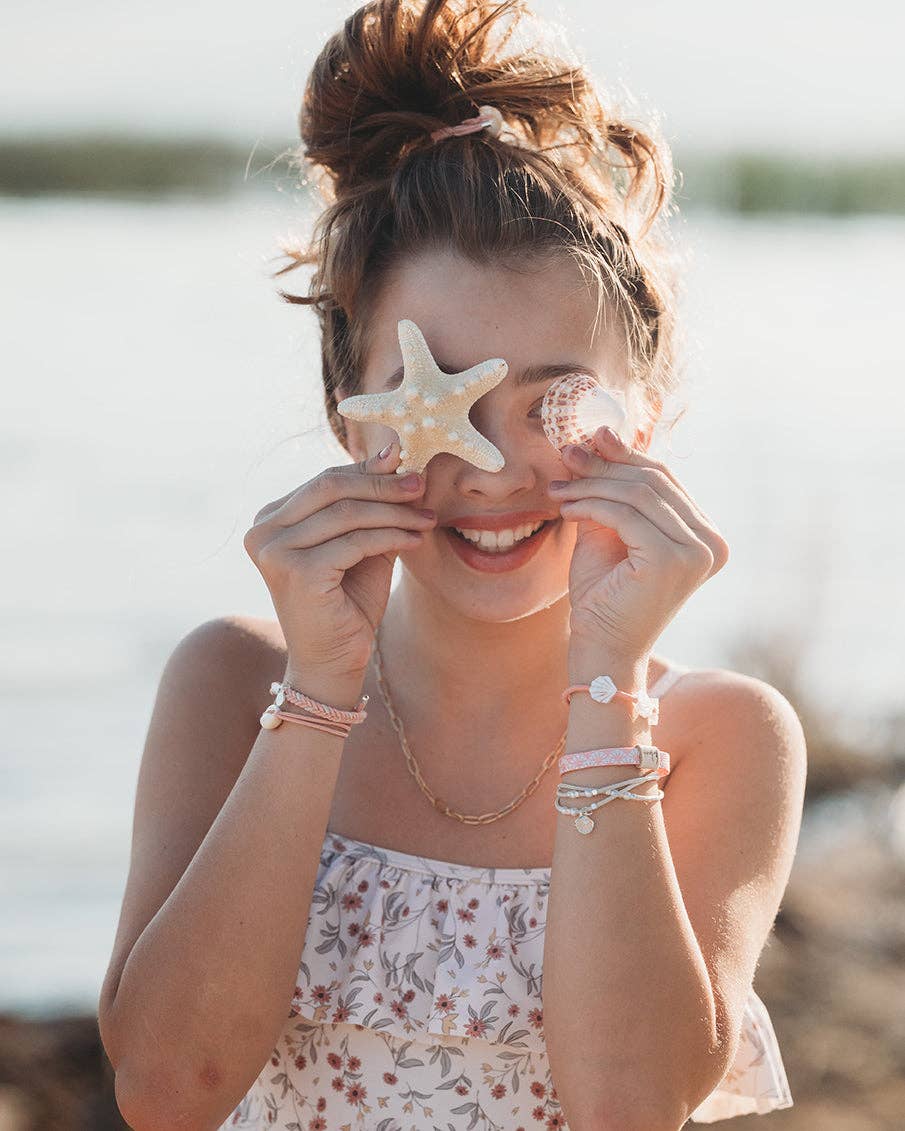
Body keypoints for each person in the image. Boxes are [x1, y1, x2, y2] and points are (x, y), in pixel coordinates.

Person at [97, 2, 806, 1128]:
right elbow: (165, 1092)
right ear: (348, 413)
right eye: (444, 401)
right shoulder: (233, 688)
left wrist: (605, 681)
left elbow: (630, 1105)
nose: (492, 474)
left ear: (647, 421)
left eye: (558, 407)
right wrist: (320, 693)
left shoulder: (721, 738)